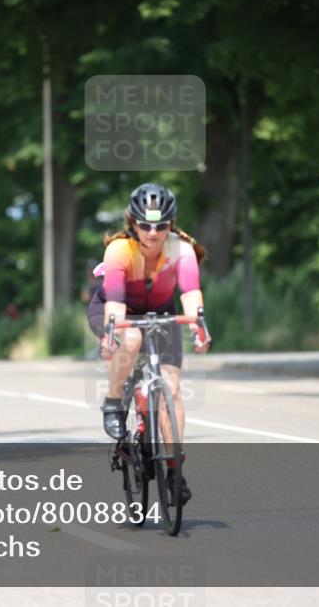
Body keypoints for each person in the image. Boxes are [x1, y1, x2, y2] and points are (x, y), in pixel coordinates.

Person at [87, 183, 210, 505]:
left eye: (161, 225)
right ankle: (114, 401)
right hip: (117, 310)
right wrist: (112, 336)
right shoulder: (119, 250)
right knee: (130, 337)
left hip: (161, 312)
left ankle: (174, 468)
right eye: (144, 225)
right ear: (132, 223)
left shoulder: (181, 250)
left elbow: (190, 293)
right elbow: (114, 302)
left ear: (171, 223)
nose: (152, 232)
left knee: (172, 385)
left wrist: (199, 325)